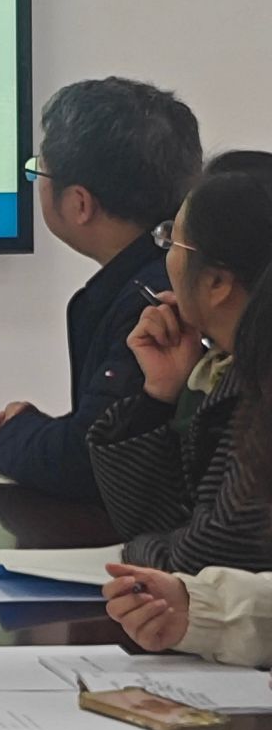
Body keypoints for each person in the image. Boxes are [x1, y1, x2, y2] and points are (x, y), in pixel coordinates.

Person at [0, 77, 201, 500]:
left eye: (38, 171)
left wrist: (18, 434)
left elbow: (88, 463)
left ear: (80, 204)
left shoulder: (154, 303)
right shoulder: (151, 277)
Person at [87, 158, 272, 572]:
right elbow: (157, 523)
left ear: (217, 283)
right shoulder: (228, 369)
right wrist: (158, 398)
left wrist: (139, 552)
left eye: (171, 240)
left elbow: (201, 561)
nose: (165, 255)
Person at [103, 279, 272, 665]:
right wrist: (161, 396)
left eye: (172, 248)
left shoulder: (252, 381)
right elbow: (147, 520)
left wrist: (150, 553)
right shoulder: (219, 369)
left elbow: (203, 552)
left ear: (217, 283)